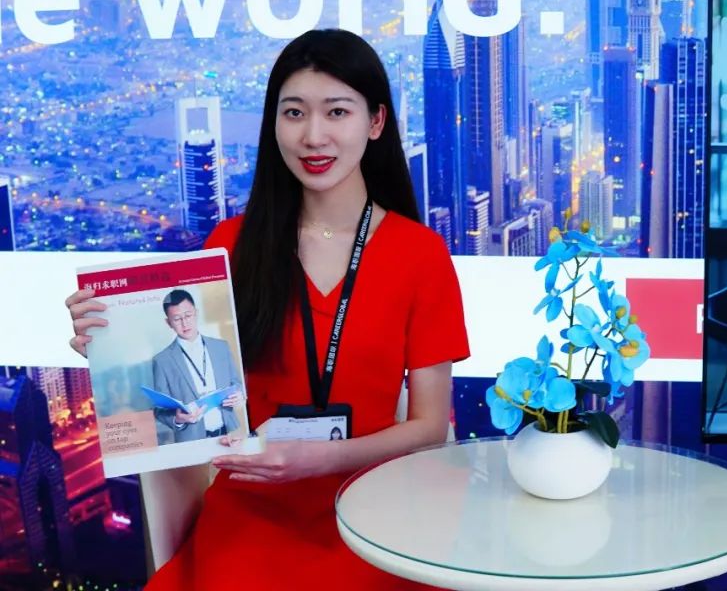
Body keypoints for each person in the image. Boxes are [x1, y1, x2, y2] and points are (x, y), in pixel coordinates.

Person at [64, 29, 469, 589]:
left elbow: (428, 427)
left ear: (375, 122)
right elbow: (184, 387)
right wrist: (112, 346)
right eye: (294, 112)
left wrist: (318, 460)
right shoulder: (230, 246)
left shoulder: (420, 254)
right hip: (253, 511)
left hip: (375, 511)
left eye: (337, 111)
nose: (313, 135)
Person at [151, 288, 244, 443]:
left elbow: (236, 383)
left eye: (188, 315)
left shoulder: (221, 347)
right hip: (191, 440)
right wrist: (177, 419)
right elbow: (159, 409)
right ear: (168, 323)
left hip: (229, 432)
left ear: (196, 313)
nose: (185, 323)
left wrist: (239, 394)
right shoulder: (161, 361)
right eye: (177, 319)